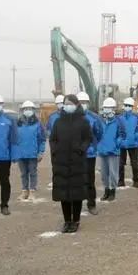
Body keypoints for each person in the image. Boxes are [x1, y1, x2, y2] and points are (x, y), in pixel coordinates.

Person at [49, 94, 92, 233]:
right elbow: (53, 139)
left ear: (76, 104)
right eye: (65, 103)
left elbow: (88, 138)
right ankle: (67, 221)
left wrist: (81, 150)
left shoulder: (83, 121)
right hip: (61, 162)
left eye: (70, 103)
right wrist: (55, 151)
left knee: (76, 193)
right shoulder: (58, 121)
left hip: (77, 162)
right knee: (63, 194)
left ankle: (76, 220)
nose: (67, 106)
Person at [76, 91, 103, 215]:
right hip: (75, 154)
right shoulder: (71, 118)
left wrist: (93, 145)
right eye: (80, 102)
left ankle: (91, 204)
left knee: (89, 180)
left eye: (84, 102)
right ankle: (76, 205)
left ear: (88, 103)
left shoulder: (94, 117)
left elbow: (99, 133)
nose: (83, 104)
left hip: (89, 154)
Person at [13, 101, 46, 201]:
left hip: (33, 154)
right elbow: (14, 139)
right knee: (23, 174)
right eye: (26, 109)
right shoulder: (17, 124)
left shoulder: (38, 124)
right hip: (21, 154)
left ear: (33, 110)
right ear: (22, 110)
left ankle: (32, 191)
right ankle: (24, 191)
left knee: (33, 173)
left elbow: (42, 139)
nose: (28, 111)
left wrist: (41, 152)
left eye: (30, 109)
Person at [98, 98, 125, 201]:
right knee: (104, 174)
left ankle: (112, 191)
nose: (106, 109)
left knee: (113, 173)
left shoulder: (118, 121)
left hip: (113, 151)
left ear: (113, 108)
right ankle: (106, 191)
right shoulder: (100, 120)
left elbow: (122, 135)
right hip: (102, 151)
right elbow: (96, 133)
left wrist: (117, 144)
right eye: (105, 107)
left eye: (109, 107)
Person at [118, 97, 138, 188]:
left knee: (135, 164)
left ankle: (136, 181)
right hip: (122, 145)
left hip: (133, 144)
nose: (127, 107)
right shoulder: (120, 118)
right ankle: (121, 181)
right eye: (126, 105)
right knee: (121, 164)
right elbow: (118, 130)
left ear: (132, 107)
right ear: (124, 106)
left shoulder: (136, 117)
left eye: (129, 105)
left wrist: (136, 138)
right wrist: (120, 140)